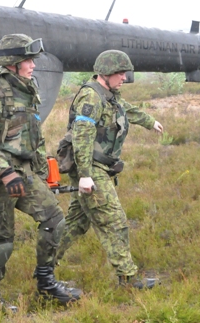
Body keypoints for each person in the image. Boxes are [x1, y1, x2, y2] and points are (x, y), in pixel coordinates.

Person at [0, 34, 81, 309]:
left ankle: (45, 282)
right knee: (3, 243)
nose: (33, 65)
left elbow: (34, 135)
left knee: (55, 221)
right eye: (28, 60)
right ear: (13, 63)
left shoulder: (27, 88)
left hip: (25, 173)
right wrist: (5, 174)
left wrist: (42, 173)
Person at [55, 50, 164, 289]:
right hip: (91, 167)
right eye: (120, 73)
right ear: (105, 73)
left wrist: (150, 122)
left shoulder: (109, 95)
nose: (124, 78)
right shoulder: (91, 97)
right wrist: (84, 175)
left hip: (98, 167)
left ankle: (45, 269)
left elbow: (128, 110)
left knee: (76, 223)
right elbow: (82, 138)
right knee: (114, 221)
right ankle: (127, 278)